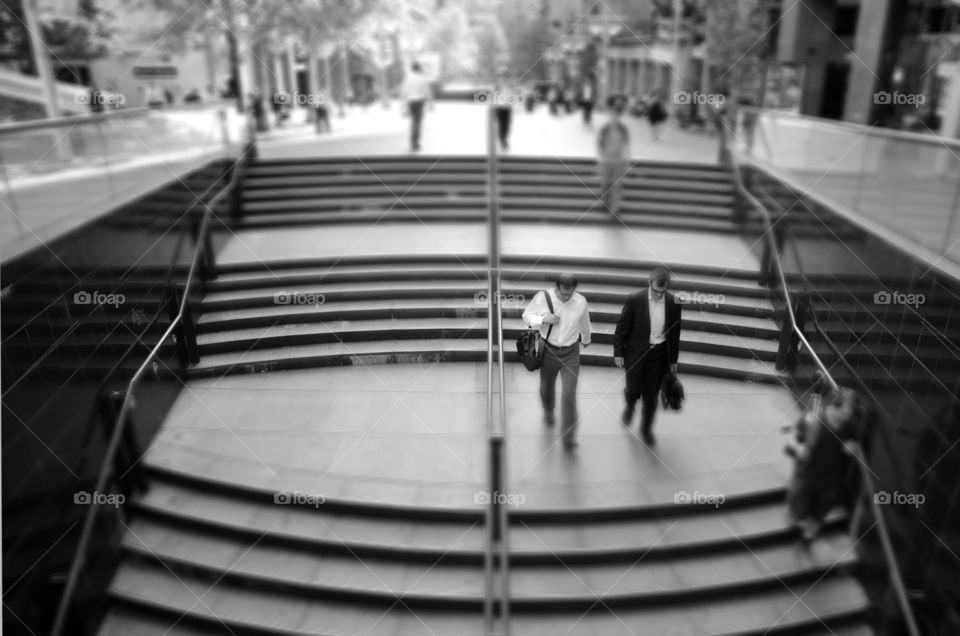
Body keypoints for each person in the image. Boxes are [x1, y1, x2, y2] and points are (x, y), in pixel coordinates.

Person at [522, 273, 593, 450]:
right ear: (557, 288)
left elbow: (584, 321)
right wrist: (542, 319)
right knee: (546, 386)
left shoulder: (580, 302)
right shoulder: (543, 298)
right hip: (549, 350)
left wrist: (586, 337)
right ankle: (548, 408)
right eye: (564, 294)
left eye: (571, 293)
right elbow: (526, 315)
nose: (568, 297)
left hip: (571, 352)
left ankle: (568, 437)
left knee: (569, 395)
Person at [785, 386, 864, 544]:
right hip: (807, 475)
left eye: (849, 415)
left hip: (830, 481)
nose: (846, 418)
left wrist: (852, 447)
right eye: (844, 412)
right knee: (798, 508)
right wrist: (798, 447)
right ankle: (794, 523)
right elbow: (792, 441)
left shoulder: (850, 426)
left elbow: (855, 442)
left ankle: (808, 537)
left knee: (819, 513)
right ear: (836, 404)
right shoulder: (813, 419)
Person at [613, 267, 682, 445]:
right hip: (636, 353)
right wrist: (618, 352)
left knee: (651, 395)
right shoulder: (634, 299)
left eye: (663, 292)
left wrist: (673, 359)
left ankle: (646, 428)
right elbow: (622, 329)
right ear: (649, 283)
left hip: (659, 355)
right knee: (633, 390)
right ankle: (630, 407)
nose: (659, 295)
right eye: (656, 291)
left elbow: (675, 333)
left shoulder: (674, 302)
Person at [596, 95, 630, 217]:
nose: (614, 117)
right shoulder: (605, 128)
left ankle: (615, 207)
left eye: (616, 115)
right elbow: (600, 143)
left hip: (618, 160)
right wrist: (600, 157)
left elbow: (626, 144)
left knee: (616, 185)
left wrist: (626, 158)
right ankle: (605, 201)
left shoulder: (622, 128)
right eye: (612, 115)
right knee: (605, 182)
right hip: (606, 160)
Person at [401, 61, 432, 151]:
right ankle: (415, 141)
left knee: (413, 120)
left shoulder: (408, 78)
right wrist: (431, 103)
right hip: (420, 101)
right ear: (419, 68)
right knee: (418, 122)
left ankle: (412, 140)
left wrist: (403, 105)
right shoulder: (422, 78)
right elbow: (427, 91)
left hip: (411, 101)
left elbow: (404, 91)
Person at [492, 76, 516, 150]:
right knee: (502, 125)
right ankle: (502, 140)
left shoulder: (510, 86)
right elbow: (494, 96)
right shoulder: (497, 86)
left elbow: (512, 96)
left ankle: (504, 139)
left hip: (507, 108)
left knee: (506, 125)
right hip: (499, 108)